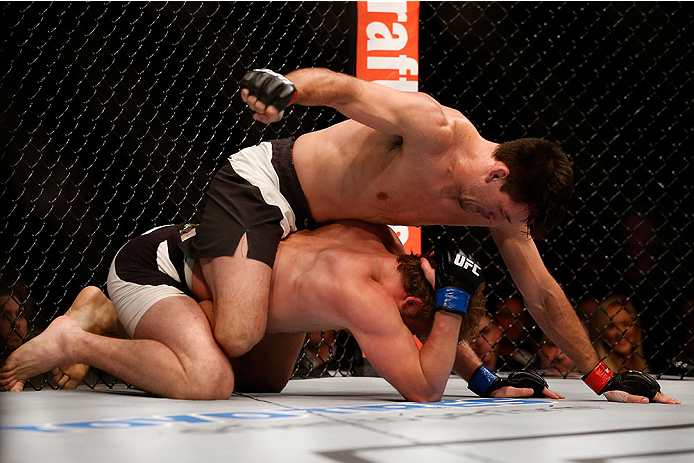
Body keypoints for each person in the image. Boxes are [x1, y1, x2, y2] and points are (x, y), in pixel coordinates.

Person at [182, 67, 674, 403]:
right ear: (498, 174)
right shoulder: (432, 129)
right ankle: (153, 288)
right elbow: (341, 90)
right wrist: (284, 88)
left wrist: (600, 376)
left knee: (266, 381)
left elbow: (540, 291)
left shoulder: (494, 209)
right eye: (503, 214)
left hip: (333, 228)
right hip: (269, 186)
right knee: (238, 332)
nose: (500, 225)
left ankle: (188, 291)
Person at [4, 220, 537, 401]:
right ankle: (82, 337)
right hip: (154, 267)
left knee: (266, 381)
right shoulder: (364, 298)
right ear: (415, 304)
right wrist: (449, 311)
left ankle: (107, 313)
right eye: (422, 326)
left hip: (206, 269)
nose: (417, 337)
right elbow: (425, 387)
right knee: (208, 380)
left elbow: (438, 319)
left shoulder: (383, 242)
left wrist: (485, 376)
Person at [590, 295, 648, 373]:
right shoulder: (596, 373)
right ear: (602, 333)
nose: (621, 332)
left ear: (636, 327)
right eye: (611, 326)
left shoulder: (647, 371)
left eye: (626, 324)